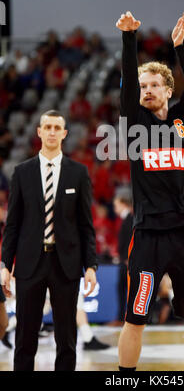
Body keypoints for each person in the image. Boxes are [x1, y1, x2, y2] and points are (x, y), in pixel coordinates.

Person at [115, 11, 184, 372]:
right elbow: (127, 81)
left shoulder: (183, 120)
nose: (147, 90)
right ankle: (125, 378)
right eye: (143, 85)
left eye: (154, 84)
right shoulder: (134, 122)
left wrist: (181, 48)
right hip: (149, 235)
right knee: (135, 319)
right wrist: (128, 38)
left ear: (169, 90)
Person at [0, 109, 98, 371]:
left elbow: (86, 225)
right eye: (48, 127)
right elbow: (12, 225)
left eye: (57, 127)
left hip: (65, 263)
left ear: (64, 133)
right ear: (39, 132)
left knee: (66, 340)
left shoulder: (78, 173)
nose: (52, 131)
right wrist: (4, 266)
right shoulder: (22, 172)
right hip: (30, 264)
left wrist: (91, 266)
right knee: (25, 339)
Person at [113, 186, 134, 325]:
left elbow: (132, 239)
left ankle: (125, 317)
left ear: (123, 203)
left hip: (128, 261)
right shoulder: (126, 219)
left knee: (128, 288)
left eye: (116, 205)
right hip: (124, 259)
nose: (114, 208)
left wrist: (128, 258)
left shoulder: (131, 218)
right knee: (121, 287)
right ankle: (122, 316)